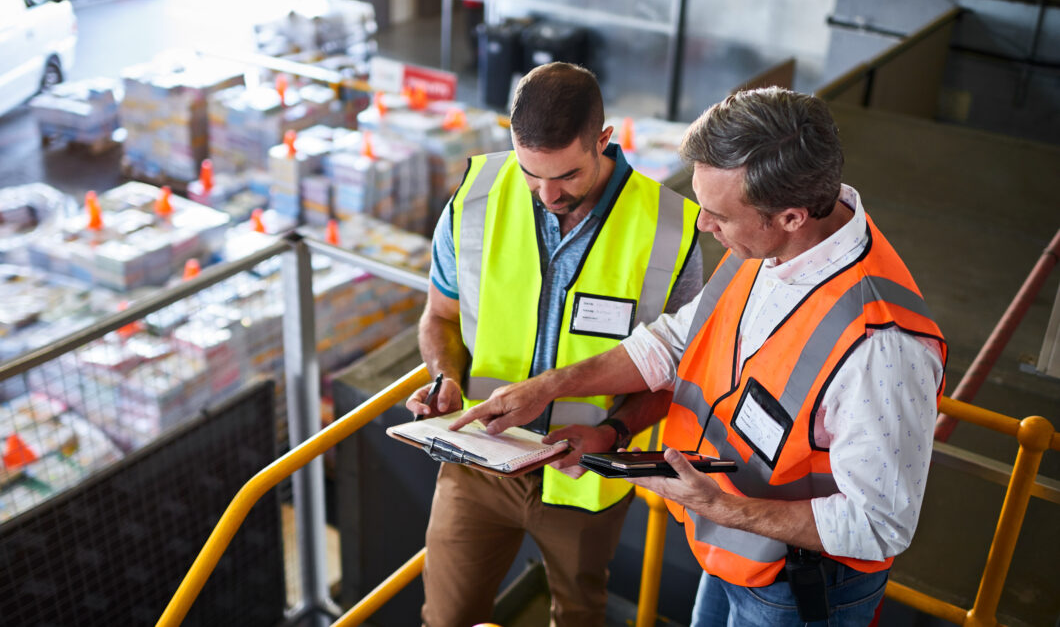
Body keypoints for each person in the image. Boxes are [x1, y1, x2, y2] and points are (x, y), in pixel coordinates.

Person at [452, 87, 948, 626]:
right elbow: (671, 342)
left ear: (790, 216)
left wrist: (719, 506)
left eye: (717, 215)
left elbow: (879, 525)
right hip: (733, 551)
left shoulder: (883, 347)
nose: (702, 226)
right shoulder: (767, 247)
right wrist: (550, 388)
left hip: (797, 591)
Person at [405, 62, 703, 627]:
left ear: (603, 140)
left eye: (566, 175)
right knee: (445, 619)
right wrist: (444, 378)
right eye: (529, 173)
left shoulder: (672, 229)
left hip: (585, 476)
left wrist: (613, 433)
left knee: (579, 617)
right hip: (479, 460)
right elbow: (440, 315)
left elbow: (680, 372)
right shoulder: (475, 198)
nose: (546, 194)